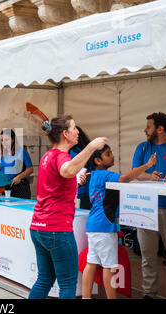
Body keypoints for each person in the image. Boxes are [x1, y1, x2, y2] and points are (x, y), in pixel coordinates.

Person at [29, 115, 107, 299]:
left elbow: (57, 183)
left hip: (39, 227)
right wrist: (91, 147)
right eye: (74, 128)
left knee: (44, 279)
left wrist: (75, 183)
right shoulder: (61, 157)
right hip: (56, 229)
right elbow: (67, 170)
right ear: (65, 134)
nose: (78, 131)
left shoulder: (48, 156)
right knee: (68, 285)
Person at [82, 145, 157, 299]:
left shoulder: (95, 175)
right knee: (109, 268)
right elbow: (125, 178)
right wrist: (147, 166)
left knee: (91, 264)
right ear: (97, 160)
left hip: (93, 225)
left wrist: (149, 175)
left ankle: (85, 297)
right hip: (105, 227)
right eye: (108, 154)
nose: (112, 156)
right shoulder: (106, 174)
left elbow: (129, 175)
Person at [132, 112, 166, 299]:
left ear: (160, 129)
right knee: (147, 255)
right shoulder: (142, 148)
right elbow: (134, 173)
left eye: (148, 127)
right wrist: (150, 176)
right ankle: (149, 293)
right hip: (145, 207)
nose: (145, 130)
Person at [0, 128, 33, 199]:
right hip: (6, 187)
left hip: (20, 187)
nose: (4, 142)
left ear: (13, 140)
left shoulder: (22, 152)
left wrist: (19, 177)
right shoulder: (1, 155)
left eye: (6, 140)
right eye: (2, 140)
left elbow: (30, 169)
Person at [69, 126, 92, 209]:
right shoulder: (83, 149)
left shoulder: (74, 151)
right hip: (87, 189)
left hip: (80, 191)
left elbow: (75, 172)